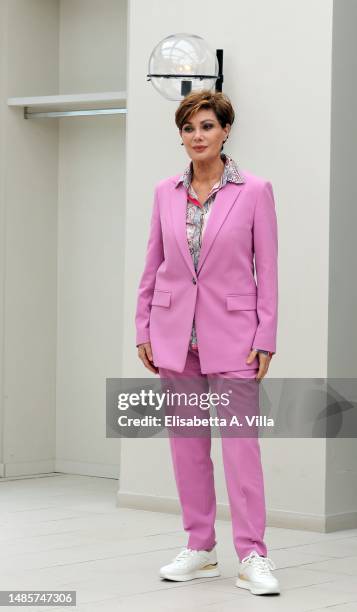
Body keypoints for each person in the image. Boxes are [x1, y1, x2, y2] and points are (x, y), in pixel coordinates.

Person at [135, 89, 280, 596]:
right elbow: (153, 264)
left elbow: (269, 269)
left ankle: (253, 556)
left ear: (225, 131)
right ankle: (200, 547)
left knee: (242, 449)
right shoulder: (164, 192)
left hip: (236, 338)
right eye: (189, 129)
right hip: (175, 336)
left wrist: (266, 336)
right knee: (187, 449)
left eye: (206, 127)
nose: (197, 136)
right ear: (182, 136)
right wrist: (143, 327)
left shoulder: (255, 191)